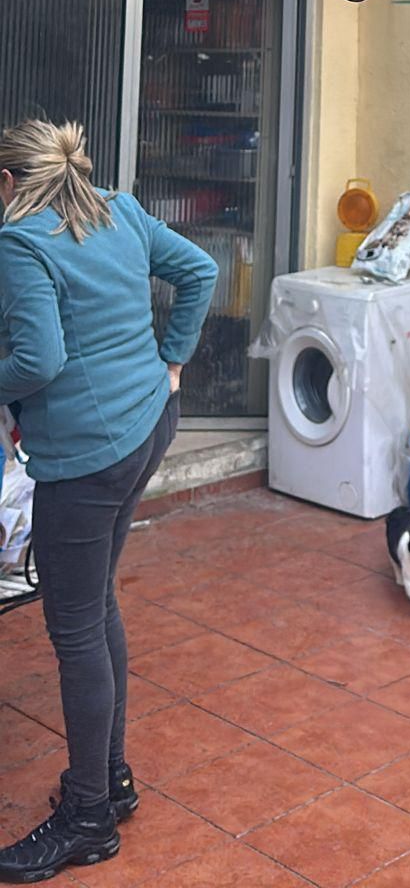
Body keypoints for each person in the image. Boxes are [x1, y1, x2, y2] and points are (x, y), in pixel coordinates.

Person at [0, 119, 218, 883]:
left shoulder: (19, 242)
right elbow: (200, 270)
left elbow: (38, 357)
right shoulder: (117, 208)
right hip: (147, 427)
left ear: (9, 183)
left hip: (88, 461)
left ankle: (89, 815)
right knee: (96, 611)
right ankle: (110, 780)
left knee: (75, 631)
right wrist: (173, 361)